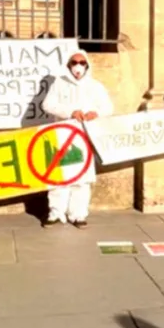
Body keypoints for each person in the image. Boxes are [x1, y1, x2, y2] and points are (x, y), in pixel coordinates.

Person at [40, 49, 113, 228]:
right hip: (63, 136)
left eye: (82, 62)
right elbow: (47, 105)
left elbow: (108, 107)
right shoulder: (59, 84)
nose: (78, 66)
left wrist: (96, 113)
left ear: (87, 65)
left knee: (82, 178)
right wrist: (70, 112)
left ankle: (78, 215)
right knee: (60, 176)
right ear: (68, 65)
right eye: (74, 62)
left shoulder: (95, 86)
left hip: (85, 137)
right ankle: (56, 213)